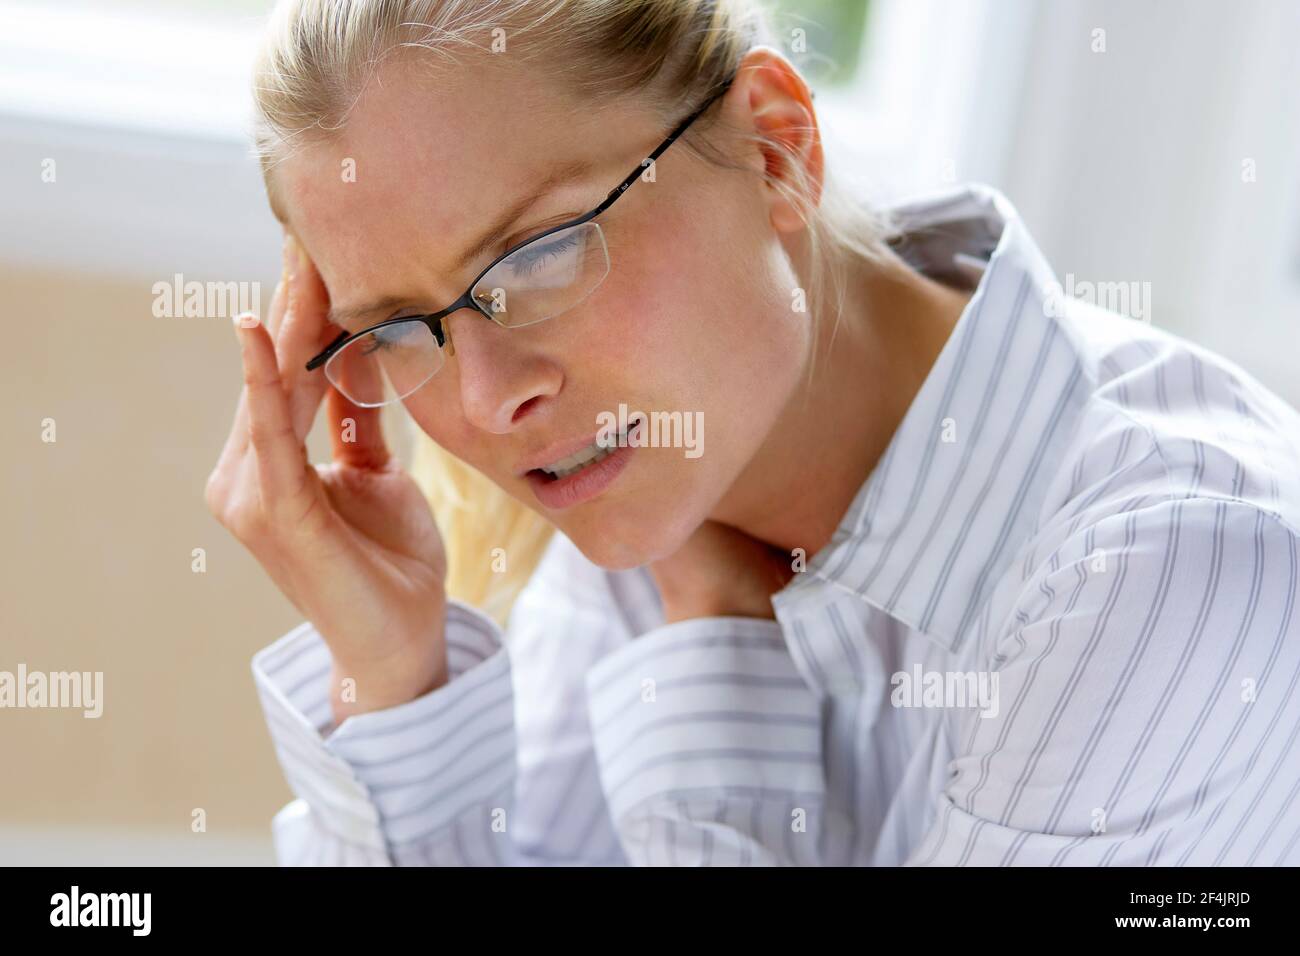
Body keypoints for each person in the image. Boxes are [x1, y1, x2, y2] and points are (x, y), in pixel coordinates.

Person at [206, 0, 1300, 865]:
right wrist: (389, 673)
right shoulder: (657, 491)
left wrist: (719, 656)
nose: (487, 405)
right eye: (401, 329)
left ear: (774, 147)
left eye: (535, 257)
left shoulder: (1172, 573)